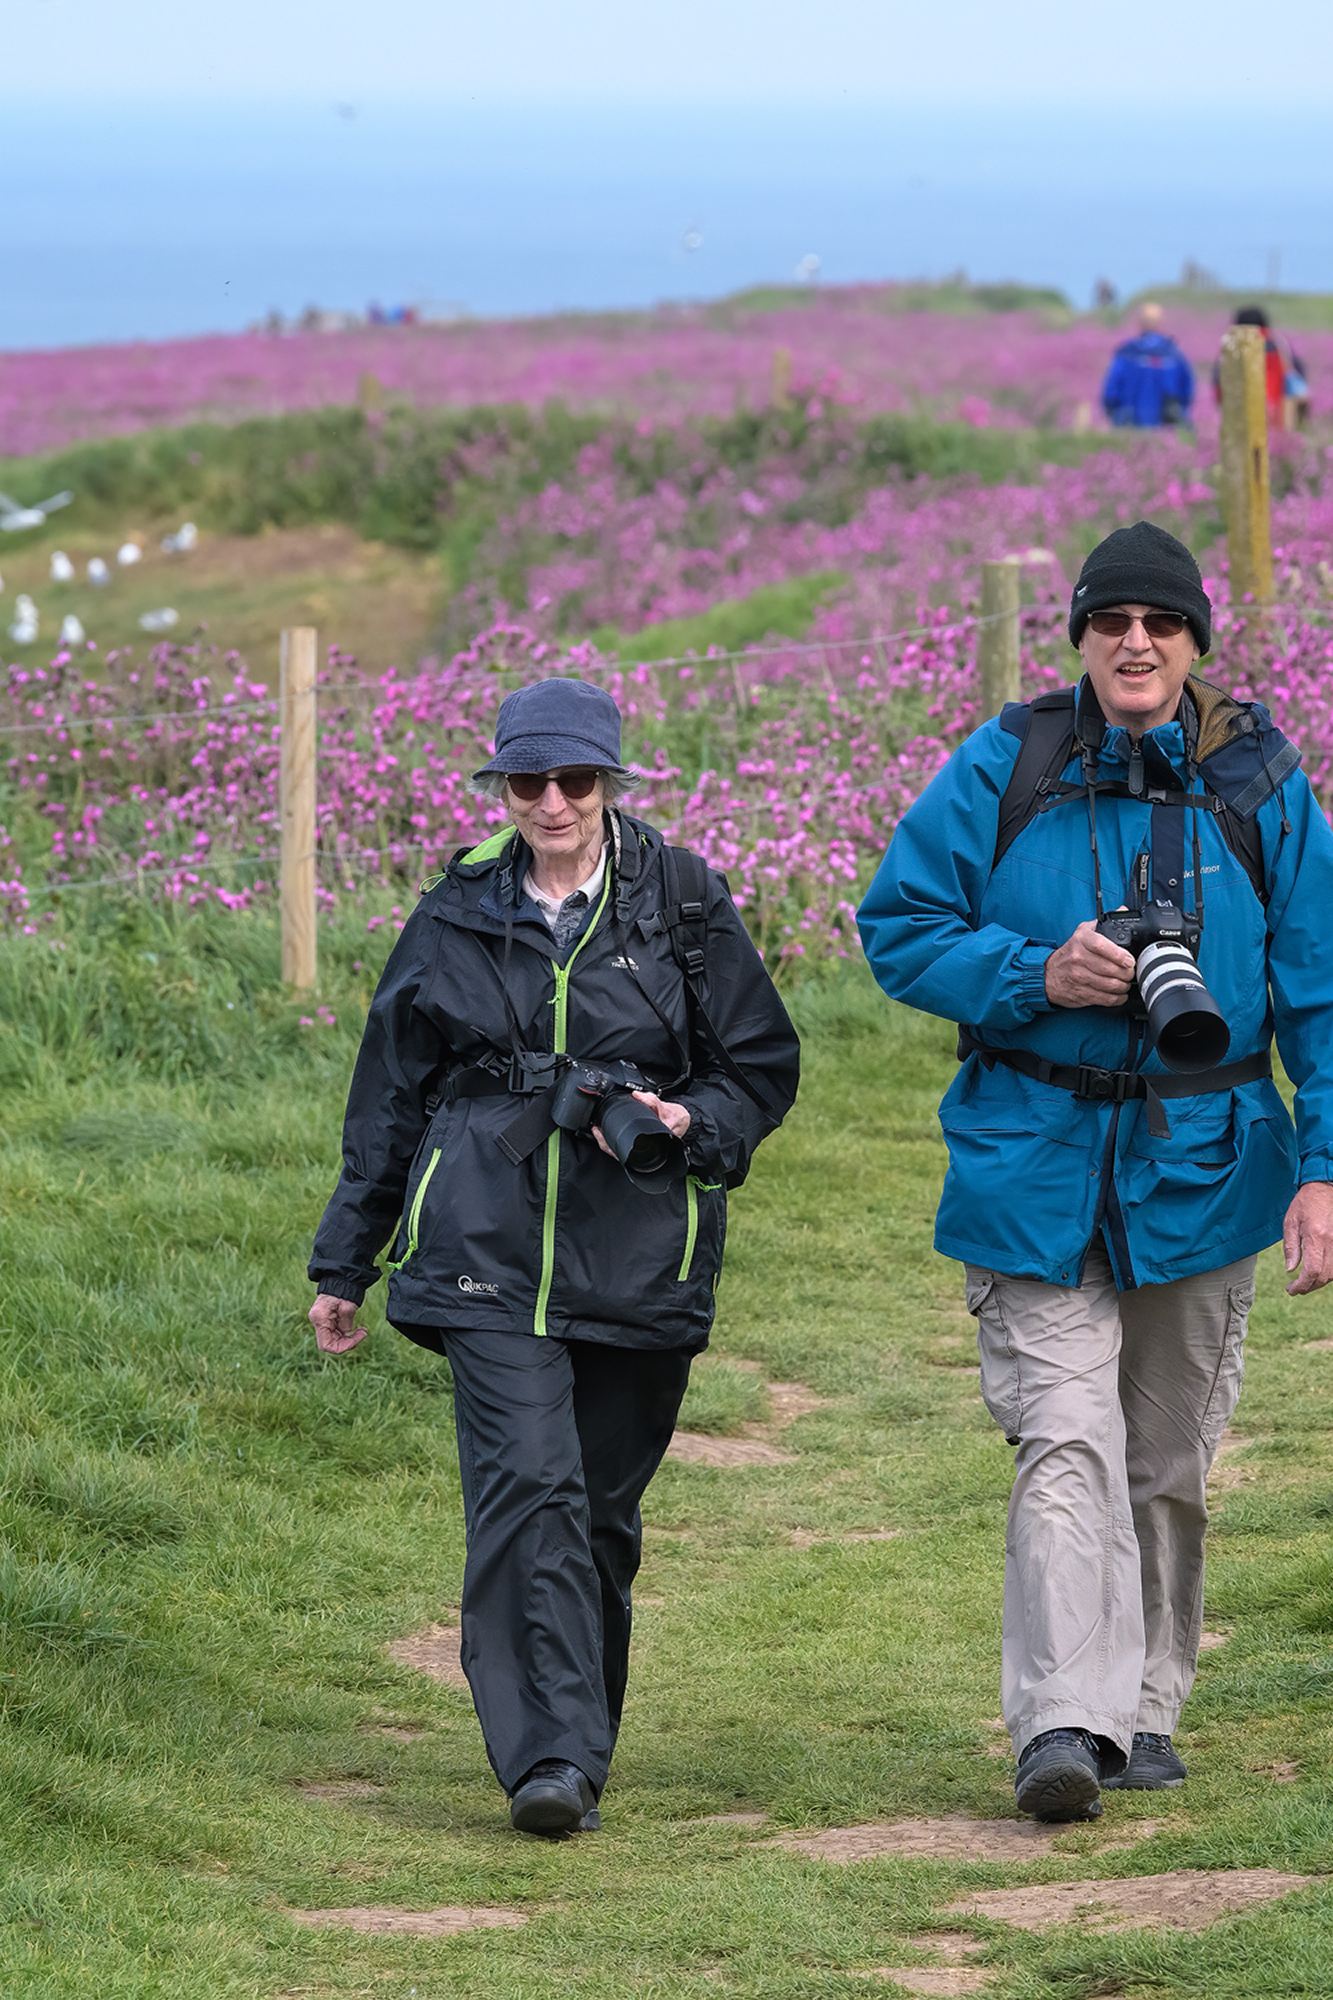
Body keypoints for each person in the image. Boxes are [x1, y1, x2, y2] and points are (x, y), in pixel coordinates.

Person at [857, 522, 1333, 1822]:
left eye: (1159, 622)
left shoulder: (1257, 782)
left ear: (1195, 641)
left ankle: (1145, 1704)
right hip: (1025, 1162)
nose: (1133, 642)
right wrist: (1031, 974)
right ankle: (1059, 1723)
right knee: (1065, 1440)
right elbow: (897, 927)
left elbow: (1331, 989)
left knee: (1164, 1461)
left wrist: (1327, 1170)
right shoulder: (1010, 762)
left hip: (1204, 1167)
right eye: (1109, 622)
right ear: (1081, 640)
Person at [308, 678, 801, 1838]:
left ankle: (580, 1732)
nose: (551, 801)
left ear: (610, 783)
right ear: (502, 786)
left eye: (574, 779)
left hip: (639, 1245)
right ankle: (551, 1761)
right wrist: (347, 1259)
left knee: (598, 1513)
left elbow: (760, 1064)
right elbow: (388, 1092)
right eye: (526, 781)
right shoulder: (456, 908)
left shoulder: (681, 899)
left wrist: (694, 1125)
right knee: (528, 1486)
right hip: (481, 1237)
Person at [1215, 305, 1312, 432]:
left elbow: (1218, 383)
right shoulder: (1278, 343)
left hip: (1242, 417)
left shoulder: (1232, 346)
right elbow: (1296, 374)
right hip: (1278, 414)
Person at [1099, 303, 1194, 429]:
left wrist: (1113, 413)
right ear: (1161, 323)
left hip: (1129, 425)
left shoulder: (1127, 352)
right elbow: (1187, 391)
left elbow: (1111, 391)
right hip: (1166, 427)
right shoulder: (1174, 354)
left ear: (1140, 322)